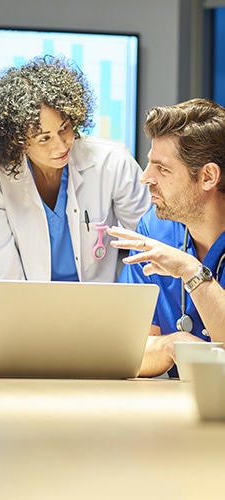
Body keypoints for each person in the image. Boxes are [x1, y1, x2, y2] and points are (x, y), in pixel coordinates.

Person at [0, 55, 151, 318]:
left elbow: (150, 245)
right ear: (16, 142)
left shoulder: (111, 161)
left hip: (103, 314)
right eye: (43, 138)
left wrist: (128, 313)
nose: (61, 145)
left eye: (64, 129)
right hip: (26, 320)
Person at [107, 98, 225, 378]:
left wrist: (191, 271)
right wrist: (174, 344)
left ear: (208, 176)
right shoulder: (155, 229)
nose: (145, 178)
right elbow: (123, 351)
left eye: (162, 168)